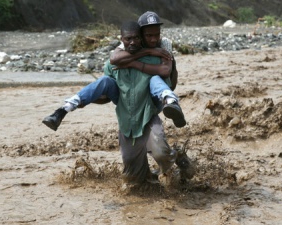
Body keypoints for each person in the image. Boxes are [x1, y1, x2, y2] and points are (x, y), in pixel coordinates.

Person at [42, 21, 193, 185]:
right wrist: (91, 98)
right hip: (127, 122)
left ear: (141, 39)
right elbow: (106, 95)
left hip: (147, 116)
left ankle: (176, 154)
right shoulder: (112, 64)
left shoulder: (154, 60)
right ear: (122, 39)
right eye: (129, 39)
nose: (133, 42)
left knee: (161, 154)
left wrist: (169, 63)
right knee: (133, 181)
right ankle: (66, 108)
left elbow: (167, 79)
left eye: (136, 38)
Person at [110, 11, 185, 128]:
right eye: (149, 36)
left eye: (157, 35)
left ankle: (172, 105)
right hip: (135, 95)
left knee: (154, 79)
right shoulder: (133, 41)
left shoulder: (164, 43)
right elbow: (114, 59)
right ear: (140, 35)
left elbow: (166, 71)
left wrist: (132, 63)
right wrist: (149, 51)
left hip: (162, 90)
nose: (154, 40)